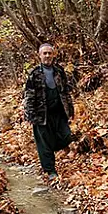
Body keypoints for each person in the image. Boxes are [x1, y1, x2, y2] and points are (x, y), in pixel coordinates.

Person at [23, 43, 74, 181]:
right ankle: (50, 170)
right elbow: (28, 96)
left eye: (49, 53)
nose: (47, 56)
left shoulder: (59, 71)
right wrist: (29, 115)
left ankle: (55, 150)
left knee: (67, 136)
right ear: (39, 55)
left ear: (53, 55)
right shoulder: (34, 74)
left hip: (59, 112)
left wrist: (70, 110)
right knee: (44, 144)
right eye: (44, 53)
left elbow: (65, 92)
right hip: (41, 115)